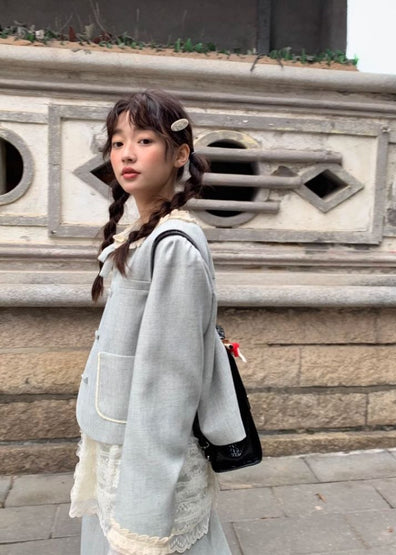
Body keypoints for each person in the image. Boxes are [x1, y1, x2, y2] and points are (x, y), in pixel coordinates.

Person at [69, 89, 246, 554]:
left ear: (180, 154)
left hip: (143, 455)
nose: (127, 154)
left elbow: (169, 385)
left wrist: (144, 514)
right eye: (118, 142)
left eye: (145, 140)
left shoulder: (172, 248)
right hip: (120, 441)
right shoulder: (143, 237)